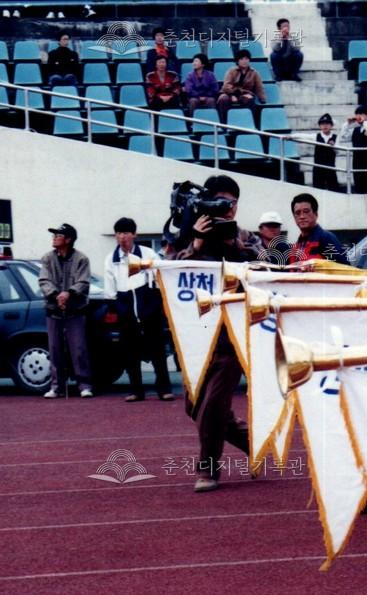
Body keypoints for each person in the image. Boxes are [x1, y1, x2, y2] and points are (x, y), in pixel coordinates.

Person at [170, 175, 260, 492]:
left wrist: (236, 247)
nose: (226, 209)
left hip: (232, 337)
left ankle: (207, 469)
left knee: (212, 407)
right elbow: (168, 270)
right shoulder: (190, 235)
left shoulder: (248, 238)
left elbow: (265, 269)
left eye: (230, 203)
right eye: (219, 202)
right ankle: (256, 444)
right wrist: (194, 245)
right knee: (194, 406)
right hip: (196, 337)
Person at [102, 217, 173, 402]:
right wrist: (120, 310)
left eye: (126, 232)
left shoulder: (148, 254)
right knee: (130, 352)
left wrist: (152, 306)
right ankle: (136, 390)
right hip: (126, 308)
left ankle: (164, 389)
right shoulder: (111, 260)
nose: (122, 237)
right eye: (118, 233)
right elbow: (110, 291)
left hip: (148, 306)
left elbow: (160, 280)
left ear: (134, 234)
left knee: (157, 350)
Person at [38, 223, 92, 398]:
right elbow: (44, 280)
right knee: (54, 349)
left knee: (78, 349)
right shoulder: (47, 258)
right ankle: (56, 386)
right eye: (54, 235)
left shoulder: (81, 259)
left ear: (68, 239)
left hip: (75, 310)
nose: (54, 238)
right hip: (53, 309)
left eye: (58, 235)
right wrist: (56, 296)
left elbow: (83, 282)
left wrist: (68, 294)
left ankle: (84, 385)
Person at [289, 193, 346, 264]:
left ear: (316, 214)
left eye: (306, 211)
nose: (302, 216)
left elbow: (344, 269)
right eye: (297, 213)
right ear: (294, 217)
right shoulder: (295, 247)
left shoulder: (327, 239)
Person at [216, 49, 266, 123]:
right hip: (229, 93)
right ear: (237, 61)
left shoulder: (254, 73)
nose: (244, 61)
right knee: (223, 99)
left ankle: (249, 123)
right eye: (242, 59)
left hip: (244, 94)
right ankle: (224, 123)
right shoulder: (231, 71)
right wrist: (232, 94)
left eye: (246, 59)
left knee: (250, 100)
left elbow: (259, 88)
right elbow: (226, 86)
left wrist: (262, 100)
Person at [339, 106, 367, 194]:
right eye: (357, 114)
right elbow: (343, 136)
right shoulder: (355, 130)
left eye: (361, 114)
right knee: (359, 187)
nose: (358, 116)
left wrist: (364, 121)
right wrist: (347, 124)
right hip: (357, 162)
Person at [310, 113, 340, 192]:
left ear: (331, 125)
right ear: (320, 126)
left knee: (334, 190)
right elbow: (303, 136)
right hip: (318, 169)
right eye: (322, 124)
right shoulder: (316, 136)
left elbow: (338, 151)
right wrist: (291, 136)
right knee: (317, 191)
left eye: (327, 124)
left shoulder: (335, 137)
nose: (325, 126)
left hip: (330, 168)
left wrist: (333, 146)